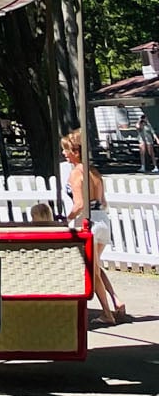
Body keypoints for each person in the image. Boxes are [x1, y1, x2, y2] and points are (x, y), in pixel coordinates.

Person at [62, 130, 126, 325]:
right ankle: (115, 299)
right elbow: (103, 201)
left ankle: (107, 313)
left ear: (75, 152)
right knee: (95, 265)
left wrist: (66, 219)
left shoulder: (76, 173)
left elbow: (79, 204)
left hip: (88, 222)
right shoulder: (94, 172)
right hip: (103, 220)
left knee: (93, 270)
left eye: (66, 150)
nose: (64, 154)